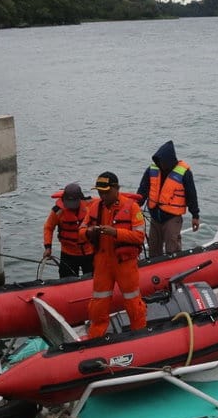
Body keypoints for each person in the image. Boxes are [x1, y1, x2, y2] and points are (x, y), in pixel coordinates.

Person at [80, 172, 147, 338]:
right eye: (100, 192)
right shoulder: (95, 207)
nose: (102, 195)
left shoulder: (132, 207)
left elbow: (139, 236)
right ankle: (95, 337)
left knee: (133, 302)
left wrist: (116, 233)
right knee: (99, 304)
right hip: (102, 262)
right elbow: (80, 232)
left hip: (125, 263)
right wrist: (89, 232)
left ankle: (139, 335)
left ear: (116, 189)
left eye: (106, 192)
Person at [136, 140, 201, 257]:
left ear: (170, 161)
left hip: (172, 218)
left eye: (163, 162)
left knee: (173, 248)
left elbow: (192, 195)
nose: (161, 165)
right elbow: (142, 191)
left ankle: (176, 269)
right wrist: (135, 207)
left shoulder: (184, 173)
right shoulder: (151, 170)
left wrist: (195, 215)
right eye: (158, 162)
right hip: (155, 217)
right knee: (153, 248)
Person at [43, 182, 96, 277]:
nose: (71, 207)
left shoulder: (91, 205)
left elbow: (108, 201)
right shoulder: (58, 211)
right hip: (68, 253)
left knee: (94, 279)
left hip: (89, 252)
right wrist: (48, 247)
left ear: (80, 199)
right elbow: (48, 228)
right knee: (66, 280)